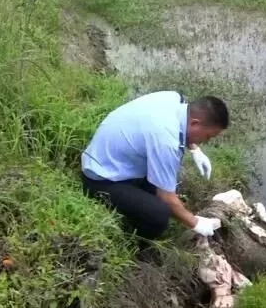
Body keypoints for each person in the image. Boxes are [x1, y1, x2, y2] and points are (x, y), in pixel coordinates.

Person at [80, 90, 230, 242]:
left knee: (168, 184)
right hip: (101, 177)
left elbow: (183, 125)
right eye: (208, 136)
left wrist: (194, 148)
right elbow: (166, 198)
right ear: (195, 123)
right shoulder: (165, 140)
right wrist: (196, 223)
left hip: (110, 157)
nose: (206, 141)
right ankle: (133, 244)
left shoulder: (173, 98)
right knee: (159, 215)